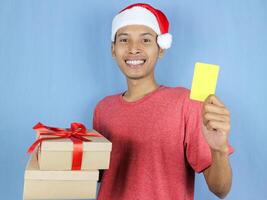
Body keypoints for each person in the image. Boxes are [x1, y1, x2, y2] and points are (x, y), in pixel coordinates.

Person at [92, 3, 234, 200]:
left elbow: (221, 189)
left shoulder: (188, 103)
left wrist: (219, 150)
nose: (134, 49)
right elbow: (96, 176)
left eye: (146, 40)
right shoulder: (103, 108)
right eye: (124, 40)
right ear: (113, 49)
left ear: (161, 49)